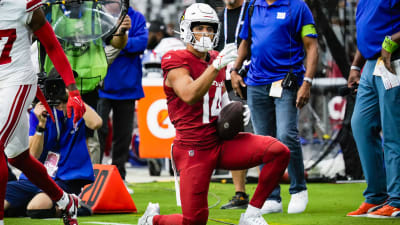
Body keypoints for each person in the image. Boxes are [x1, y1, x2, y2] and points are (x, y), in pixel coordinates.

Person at [138, 3, 290, 225]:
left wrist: (234, 112)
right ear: (187, 28)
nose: (206, 33)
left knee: (279, 151)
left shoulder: (215, 57)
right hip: (194, 149)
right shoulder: (175, 59)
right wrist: (215, 66)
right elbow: (189, 94)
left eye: (209, 28)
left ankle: (252, 214)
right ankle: (153, 220)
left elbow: (220, 96)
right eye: (199, 28)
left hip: (220, 142)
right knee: (194, 221)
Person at [0, 0, 87, 224]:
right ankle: (66, 201)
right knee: (18, 157)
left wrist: (73, 90)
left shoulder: (22, 4)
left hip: (16, 80)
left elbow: (51, 45)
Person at [231, 0, 318, 214]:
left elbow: (312, 46)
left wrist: (307, 82)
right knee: (263, 141)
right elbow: (246, 42)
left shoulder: (298, 6)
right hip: (256, 83)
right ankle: (272, 197)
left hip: (286, 81)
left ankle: (298, 190)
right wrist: (234, 70)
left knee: (286, 135)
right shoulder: (253, 5)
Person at [40, 0, 132, 164]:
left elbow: (117, 43)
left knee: (89, 138)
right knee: (51, 137)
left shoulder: (95, 9)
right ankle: (50, 182)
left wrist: (122, 31)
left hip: (87, 85)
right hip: (56, 85)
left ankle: (88, 185)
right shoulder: (48, 7)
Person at [4, 71, 101, 219]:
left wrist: (72, 96)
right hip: (35, 177)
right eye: (68, 84)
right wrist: (40, 126)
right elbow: (32, 156)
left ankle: (71, 207)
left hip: (66, 177)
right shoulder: (40, 112)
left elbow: (96, 123)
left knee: (36, 209)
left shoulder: (78, 109)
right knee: (2, 203)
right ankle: (26, 205)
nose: (72, 86)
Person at [346, 0, 400, 218]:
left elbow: (387, 37)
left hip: (393, 60)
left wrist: (391, 42)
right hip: (370, 64)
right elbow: (367, 33)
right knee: (361, 125)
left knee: (393, 132)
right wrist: (355, 66)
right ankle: (377, 195)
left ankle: (397, 199)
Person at [97, 6, 147, 193]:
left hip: (127, 87)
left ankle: (119, 177)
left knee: (123, 136)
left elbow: (142, 43)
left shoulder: (136, 17)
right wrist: (123, 42)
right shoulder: (97, 14)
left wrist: (115, 42)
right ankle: (94, 175)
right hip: (102, 84)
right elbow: (95, 43)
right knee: (97, 133)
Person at [216, 0, 252, 210]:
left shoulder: (254, 9)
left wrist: (240, 71)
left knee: (270, 134)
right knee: (233, 136)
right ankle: (240, 193)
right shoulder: (218, 19)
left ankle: (275, 195)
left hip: (251, 79)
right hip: (225, 82)